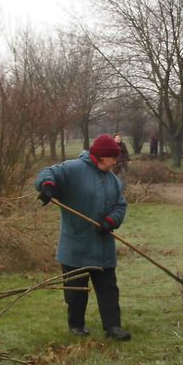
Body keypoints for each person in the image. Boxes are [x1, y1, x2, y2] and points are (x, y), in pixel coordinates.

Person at [35, 134, 132, 340]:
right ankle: (76, 325)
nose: (115, 161)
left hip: (103, 246)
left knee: (108, 289)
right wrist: (47, 186)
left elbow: (120, 206)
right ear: (101, 156)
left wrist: (111, 221)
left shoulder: (113, 180)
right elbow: (48, 173)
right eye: (112, 157)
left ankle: (113, 327)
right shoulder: (73, 169)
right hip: (75, 244)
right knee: (76, 290)